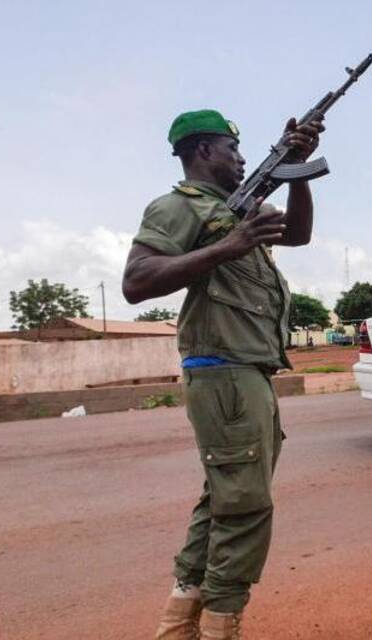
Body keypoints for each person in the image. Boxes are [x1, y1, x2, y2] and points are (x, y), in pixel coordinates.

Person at [123, 109, 324, 639]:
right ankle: (219, 629)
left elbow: (298, 234)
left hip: (244, 371)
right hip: (225, 371)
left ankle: (179, 626)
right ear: (205, 152)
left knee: (225, 498)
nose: (241, 159)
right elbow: (137, 281)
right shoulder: (177, 207)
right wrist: (227, 247)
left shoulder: (233, 209)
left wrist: (296, 170)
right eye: (233, 150)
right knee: (246, 506)